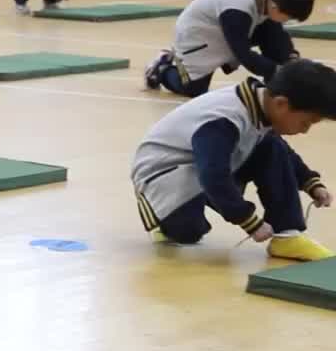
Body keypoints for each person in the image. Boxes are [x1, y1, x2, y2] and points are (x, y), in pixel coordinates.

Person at [132, 59, 336, 263]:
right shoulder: (222, 121)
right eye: (306, 122)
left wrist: (310, 182)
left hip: (204, 161)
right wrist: (247, 220)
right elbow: (213, 176)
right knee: (187, 233)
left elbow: (282, 153)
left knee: (271, 147)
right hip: (163, 171)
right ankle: (162, 220)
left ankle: (288, 235)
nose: (305, 130)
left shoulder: (263, 104)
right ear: (281, 104)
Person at [144, 0, 313, 97]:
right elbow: (243, 55)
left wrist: (290, 58)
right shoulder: (238, 10)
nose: (287, 21)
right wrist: (276, 71)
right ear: (276, 6)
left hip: (225, 28)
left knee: (272, 37)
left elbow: (277, 35)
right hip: (197, 35)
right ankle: (162, 70)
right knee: (193, 90)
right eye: (289, 17)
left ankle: (277, 89)